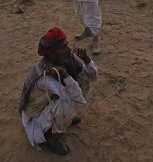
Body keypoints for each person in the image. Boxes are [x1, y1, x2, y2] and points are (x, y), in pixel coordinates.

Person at [18, 27, 98, 156]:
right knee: (66, 105)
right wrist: (65, 75)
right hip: (36, 117)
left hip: (50, 104)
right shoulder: (46, 76)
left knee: (82, 77)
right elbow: (76, 99)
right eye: (63, 47)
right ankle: (49, 136)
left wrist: (87, 60)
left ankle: (64, 119)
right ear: (52, 53)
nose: (68, 49)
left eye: (66, 44)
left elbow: (92, 76)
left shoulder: (68, 58)